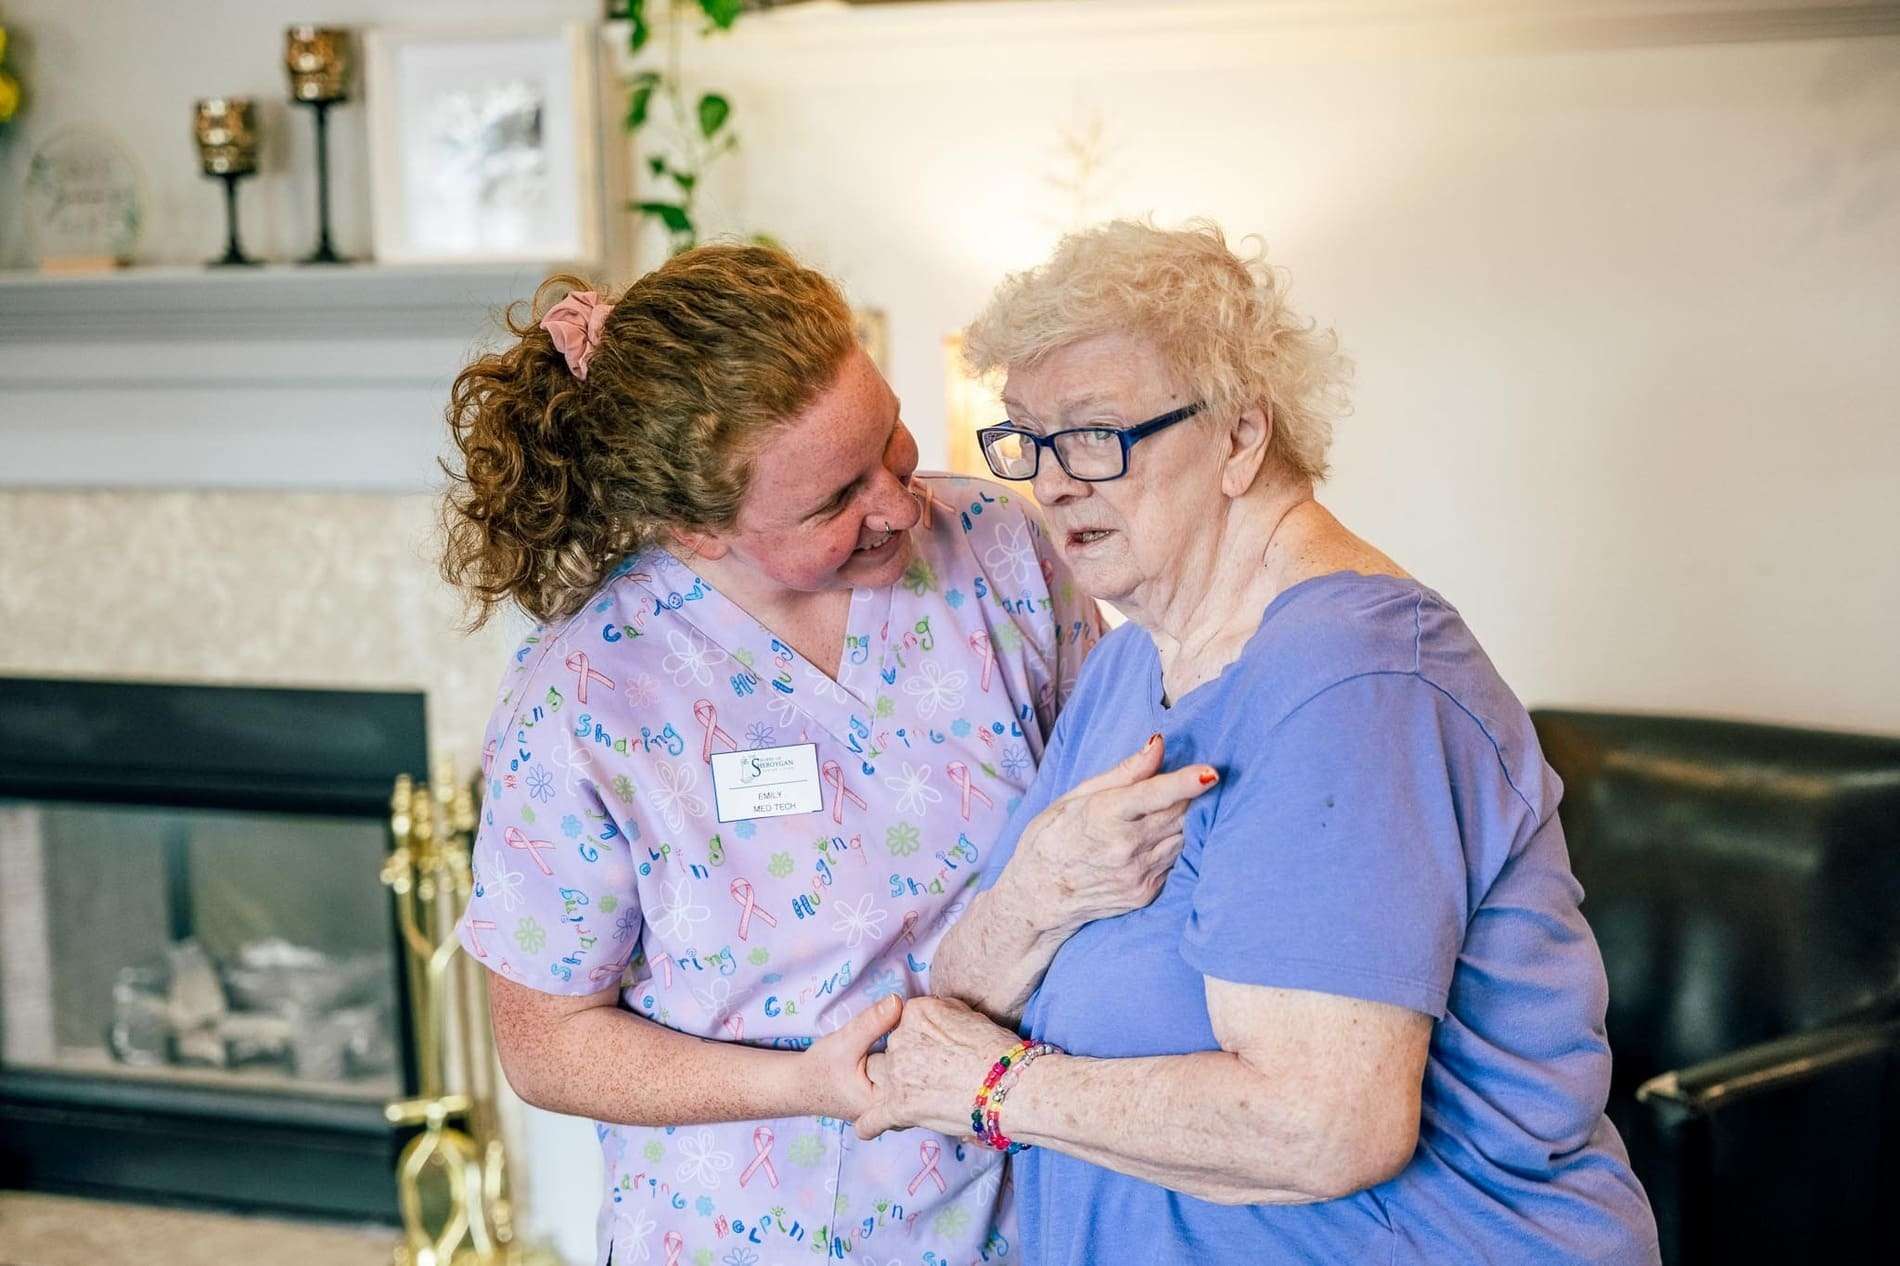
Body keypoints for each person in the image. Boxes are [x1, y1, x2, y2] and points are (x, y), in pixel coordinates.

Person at [855, 220, 1661, 1265]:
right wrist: (1040, 889)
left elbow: (1324, 1128)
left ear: (1240, 436)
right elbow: (959, 1000)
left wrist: (998, 1090)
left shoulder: (1354, 681)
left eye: (1094, 435)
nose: (1050, 483)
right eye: (1029, 440)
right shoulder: (1129, 665)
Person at [439, 244, 1101, 1266]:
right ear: (694, 530)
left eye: (889, 441)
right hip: (755, 1233)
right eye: (835, 500)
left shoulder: (1002, 551)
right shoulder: (588, 697)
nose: (900, 505)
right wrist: (805, 1083)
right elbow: (547, 1045)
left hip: (1044, 1201)